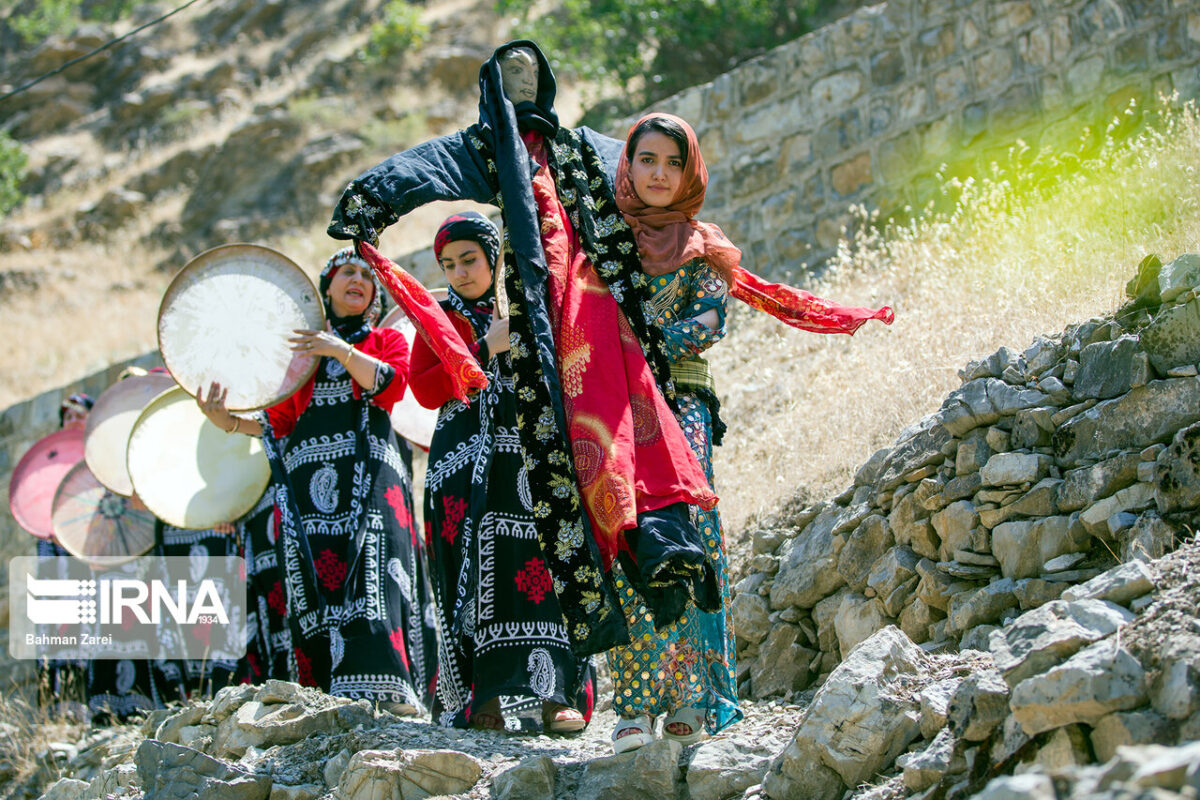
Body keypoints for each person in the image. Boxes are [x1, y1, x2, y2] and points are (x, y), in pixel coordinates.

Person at [328, 41, 719, 659]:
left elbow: (652, 171)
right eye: (509, 79)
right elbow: (421, 169)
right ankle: (626, 577)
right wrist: (367, 202)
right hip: (541, 319)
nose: (521, 89)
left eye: (531, 77)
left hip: (602, 302)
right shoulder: (487, 150)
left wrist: (677, 210)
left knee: (633, 418)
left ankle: (663, 542)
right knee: (575, 453)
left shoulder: (583, 147)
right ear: (491, 91)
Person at [606, 112, 894, 752]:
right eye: (647, 160)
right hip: (617, 414)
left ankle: (688, 695)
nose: (659, 174)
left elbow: (705, 324)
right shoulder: (600, 243)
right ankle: (631, 705)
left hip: (681, 406)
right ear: (628, 166)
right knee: (627, 536)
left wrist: (632, 344)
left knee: (686, 536)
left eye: (672, 163)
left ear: (690, 172)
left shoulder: (705, 247)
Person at [198, 247, 436, 713]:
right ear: (325, 288)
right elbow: (277, 423)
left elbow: (391, 385)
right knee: (315, 583)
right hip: (309, 497)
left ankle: (388, 690)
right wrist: (225, 420)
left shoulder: (387, 339)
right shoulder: (299, 357)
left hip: (372, 481)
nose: (358, 280)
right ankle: (328, 695)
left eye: (367, 275)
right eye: (347, 272)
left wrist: (341, 350)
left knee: (376, 570)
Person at [412, 211, 592, 733]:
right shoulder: (437, 317)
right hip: (461, 458)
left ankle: (555, 695)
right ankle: (481, 698)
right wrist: (480, 351)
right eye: (448, 264)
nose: (459, 272)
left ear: (494, 257)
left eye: (469, 259)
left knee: (539, 558)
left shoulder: (533, 303)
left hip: (529, 449)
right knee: (468, 569)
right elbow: (423, 390)